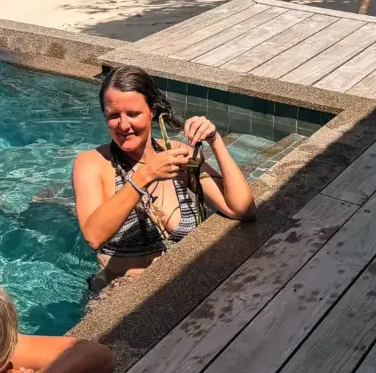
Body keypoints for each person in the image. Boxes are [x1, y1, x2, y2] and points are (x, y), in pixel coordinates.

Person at [73, 65, 256, 280]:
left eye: (133, 114)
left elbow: (243, 210)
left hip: (185, 284)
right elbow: (93, 236)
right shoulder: (91, 164)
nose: (123, 125)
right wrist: (144, 176)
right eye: (113, 115)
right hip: (120, 294)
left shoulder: (177, 156)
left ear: (152, 111)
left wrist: (215, 141)